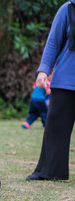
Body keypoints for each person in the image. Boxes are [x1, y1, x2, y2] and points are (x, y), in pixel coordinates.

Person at [26, 1, 75, 181]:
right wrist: (44, 70)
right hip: (65, 81)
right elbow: (53, 42)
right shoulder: (68, 9)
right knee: (56, 129)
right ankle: (51, 172)